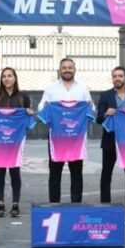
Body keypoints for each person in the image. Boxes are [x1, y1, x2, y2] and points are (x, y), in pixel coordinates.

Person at [38, 57, 93, 203]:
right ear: (60, 69)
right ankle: (54, 204)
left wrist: (90, 105)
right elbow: (40, 109)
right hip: (57, 138)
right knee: (55, 173)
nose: (67, 70)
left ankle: (76, 205)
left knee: (77, 173)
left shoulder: (83, 88)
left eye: (70, 67)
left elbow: (91, 110)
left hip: (77, 138)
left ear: (74, 69)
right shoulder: (51, 89)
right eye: (64, 67)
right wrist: (47, 106)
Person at [0, 67, 33, 218]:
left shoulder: (23, 98)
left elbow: (28, 118)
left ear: (15, 78)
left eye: (9, 76)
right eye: (4, 76)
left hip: (15, 141)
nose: (7, 79)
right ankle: (0, 203)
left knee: (14, 172)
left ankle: (15, 204)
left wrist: (30, 113)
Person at [97, 66, 125, 214]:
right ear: (112, 78)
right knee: (106, 173)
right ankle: (105, 203)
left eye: (120, 76)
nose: (117, 78)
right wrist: (106, 113)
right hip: (110, 139)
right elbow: (98, 119)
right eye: (114, 76)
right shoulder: (105, 96)